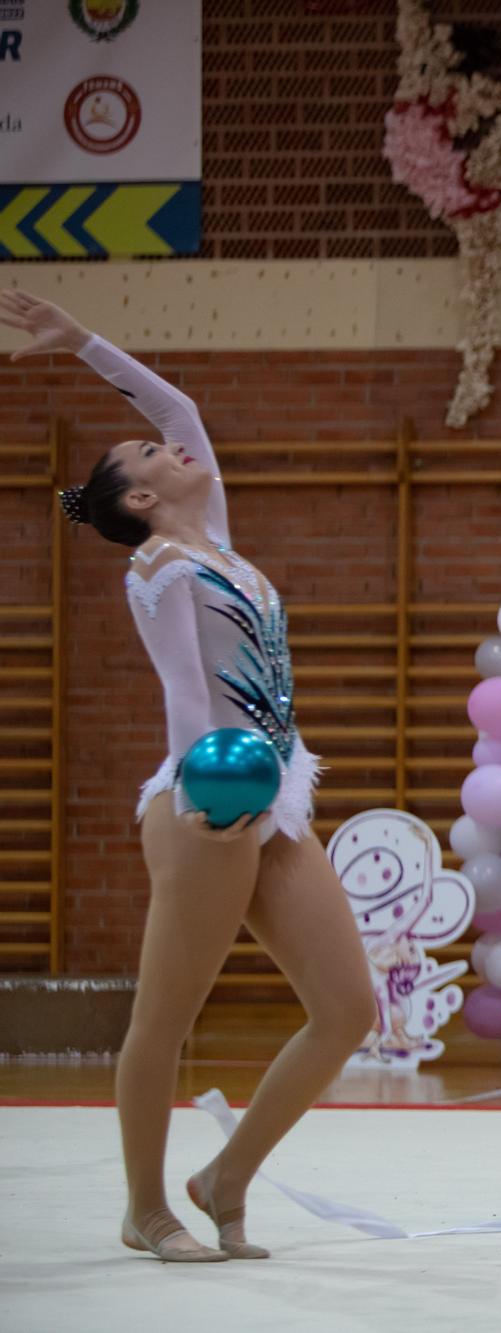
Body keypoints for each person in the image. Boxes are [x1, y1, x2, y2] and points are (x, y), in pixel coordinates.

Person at [5, 290, 374, 1261]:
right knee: (165, 1017)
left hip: (273, 800)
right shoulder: (161, 570)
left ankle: (223, 1178)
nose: (172, 446)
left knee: (347, 1010)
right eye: (149, 455)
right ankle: (144, 1207)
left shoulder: (217, 542)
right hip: (207, 804)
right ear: (139, 499)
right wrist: (221, 803)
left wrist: (80, 340)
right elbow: (194, 706)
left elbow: (182, 414)